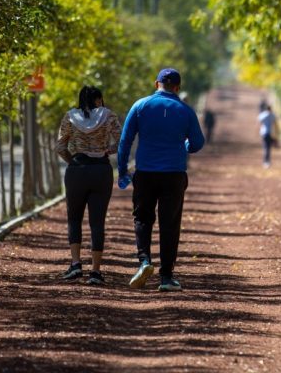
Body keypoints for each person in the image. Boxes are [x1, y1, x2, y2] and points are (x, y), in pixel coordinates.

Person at [117, 68, 205, 292]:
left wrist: (122, 170)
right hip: (174, 175)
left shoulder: (140, 106)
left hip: (145, 173)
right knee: (170, 223)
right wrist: (184, 145)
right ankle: (166, 276)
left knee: (142, 218)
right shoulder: (185, 110)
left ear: (157, 84)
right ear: (177, 87)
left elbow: (125, 141)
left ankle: (144, 261)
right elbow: (197, 143)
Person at [55, 85, 121, 285]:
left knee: (74, 219)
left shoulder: (70, 117)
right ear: (98, 99)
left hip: (77, 170)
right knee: (97, 222)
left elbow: (60, 147)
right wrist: (108, 150)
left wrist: (73, 162)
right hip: (101, 170)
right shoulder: (109, 116)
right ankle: (95, 271)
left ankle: (76, 264)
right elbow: (122, 139)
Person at [258, 104, 276, 168]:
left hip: (264, 133)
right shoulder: (272, 115)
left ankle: (266, 161)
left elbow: (260, 123)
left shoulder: (262, 115)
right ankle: (267, 161)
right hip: (269, 133)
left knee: (266, 147)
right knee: (268, 148)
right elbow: (275, 124)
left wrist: (259, 131)